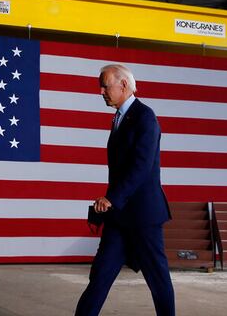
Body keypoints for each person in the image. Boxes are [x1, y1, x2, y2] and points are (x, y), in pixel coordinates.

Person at [75, 64, 175, 316]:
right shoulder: (120, 117)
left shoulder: (145, 117)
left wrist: (111, 198)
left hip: (144, 215)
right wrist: (113, 201)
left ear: (123, 85)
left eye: (105, 85)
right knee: (100, 275)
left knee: (157, 279)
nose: (101, 91)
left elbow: (141, 167)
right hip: (119, 216)